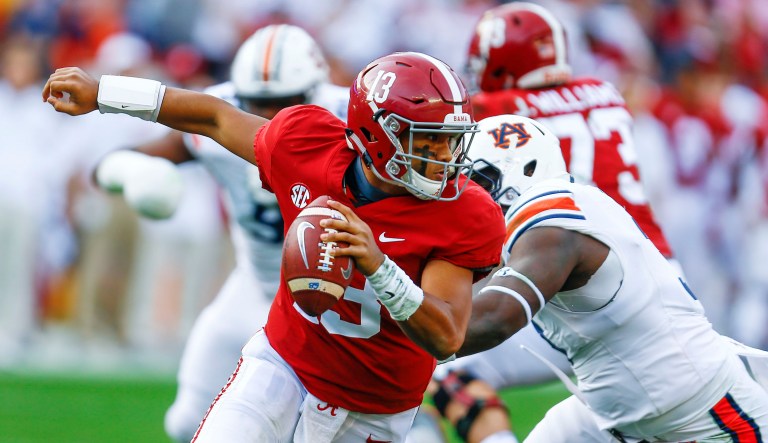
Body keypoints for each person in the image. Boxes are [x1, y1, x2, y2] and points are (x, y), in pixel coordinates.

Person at [43, 50, 506, 442]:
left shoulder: (464, 212)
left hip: (375, 412)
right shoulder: (306, 147)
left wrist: (380, 267)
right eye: (427, 140)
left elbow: (446, 335)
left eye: (449, 141)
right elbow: (213, 116)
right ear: (374, 133)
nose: (445, 158)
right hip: (283, 367)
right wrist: (104, 93)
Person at [420, 4, 681, 442]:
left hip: (586, 291)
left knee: (448, 367)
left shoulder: (496, 110)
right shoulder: (607, 94)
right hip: (664, 279)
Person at [91, 24, 350, 442]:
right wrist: (130, 173)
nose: (269, 118)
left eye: (286, 103)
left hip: (329, 304)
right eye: (259, 104)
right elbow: (111, 163)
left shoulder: (347, 122)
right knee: (186, 422)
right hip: (251, 287)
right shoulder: (219, 116)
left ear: (315, 93)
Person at [461, 113, 768, 442]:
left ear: (526, 171)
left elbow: (496, 317)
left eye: (479, 180)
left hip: (700, 408)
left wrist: (409, 325)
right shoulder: (560, 214)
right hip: (617, 407)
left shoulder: (550, 225)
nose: (468, 196)